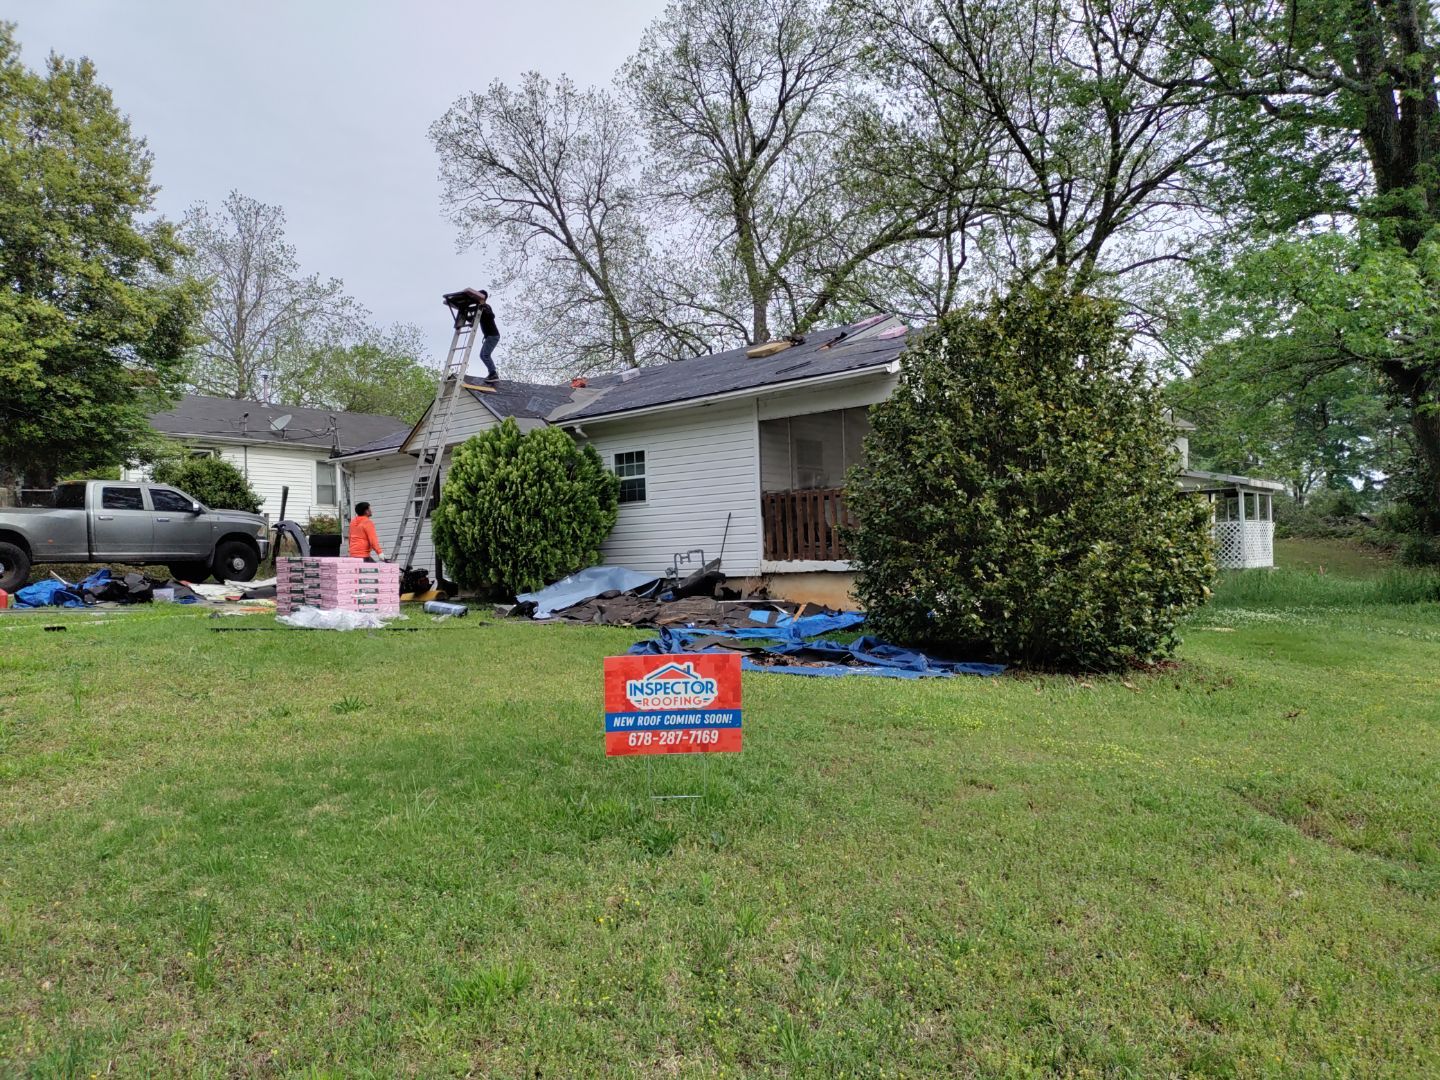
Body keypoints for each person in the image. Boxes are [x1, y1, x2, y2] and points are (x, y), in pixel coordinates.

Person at [476, 289, 500, 382]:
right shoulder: (480, 308)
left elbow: (491, 316)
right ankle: (492, 373)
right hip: (490, 336)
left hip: (493, 335)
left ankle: (493, 374)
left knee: (485, 355)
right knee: (483, 355)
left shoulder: (486, 307)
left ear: (483, 298)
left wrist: (483, 305)